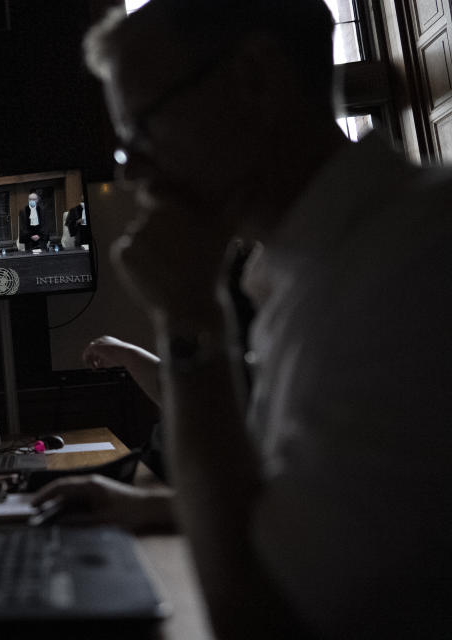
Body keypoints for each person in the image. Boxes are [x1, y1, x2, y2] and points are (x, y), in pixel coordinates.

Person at [34, 2, 452, 639]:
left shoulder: (408, 267)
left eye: (142, 129)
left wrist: (190, 318)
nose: (136, 172)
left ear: (255, 78)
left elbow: (259, 619)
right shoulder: (314, 263)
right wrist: (148, 506)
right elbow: (310, 507)